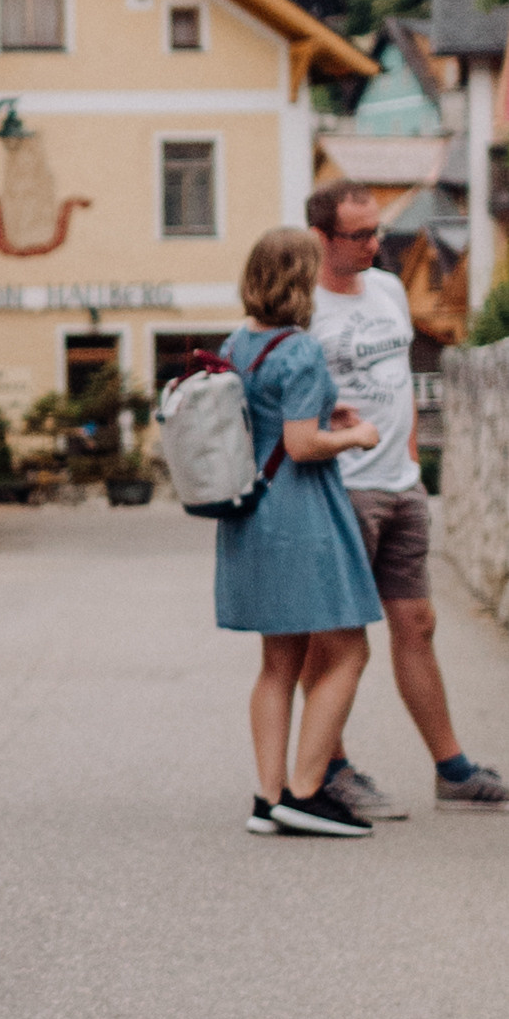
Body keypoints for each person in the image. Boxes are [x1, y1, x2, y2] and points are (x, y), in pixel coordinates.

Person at [305, 181, 508, 815]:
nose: (375, 244)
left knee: (417, 624)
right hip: (341, 487)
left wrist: (413, 458)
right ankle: (329, 766)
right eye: (359, 235)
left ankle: (452, 771)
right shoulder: (303, 307)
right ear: (321, 239)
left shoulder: (389, 289)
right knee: (333, 637)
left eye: (377, 231)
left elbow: (396, 381)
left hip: (399, 484)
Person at [217, 226, 383, 836]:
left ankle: (267, 797)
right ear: (299, 277)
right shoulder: (300, 348)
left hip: (252, 509)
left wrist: (320, 414)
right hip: (301, 512)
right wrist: (354, 435)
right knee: (349, 649)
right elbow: (302, 443)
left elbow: (269, 419)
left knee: (278, 663)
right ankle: (306, 791)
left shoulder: (239, 343)